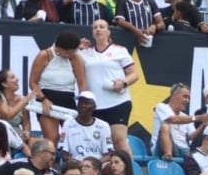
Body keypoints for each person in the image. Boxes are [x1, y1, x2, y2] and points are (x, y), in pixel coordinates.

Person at [80, 19, 136, 155]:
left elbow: (134, 74)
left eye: (102, 27)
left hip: (117, 102)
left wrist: (123, 83)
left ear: (108, 32)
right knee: (98, 143)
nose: (98, 29)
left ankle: (129, 168)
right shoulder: (85, 53)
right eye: (95, 27)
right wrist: (79, 48)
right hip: (95, 105)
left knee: (118, 140)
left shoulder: (119, 50)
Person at [30, 32, 88, 146]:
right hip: (46, 99)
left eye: (73, 52)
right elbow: (32, 82)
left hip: (68, 100)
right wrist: (43, 99)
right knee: (52, 138)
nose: (69, 55)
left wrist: (83, 102)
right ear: (59, 48)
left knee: (75, 138)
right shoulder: (44, 55)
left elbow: (82, 84)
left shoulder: (75, 57)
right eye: (67, 52)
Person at [59, 92, 113, 161]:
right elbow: (63, 153)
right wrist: (81, 164)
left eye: (87, 103)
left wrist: (94, 164)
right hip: (75, 163)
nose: (83, 105)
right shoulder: (68, 124)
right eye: (80, 103)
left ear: (94, 107)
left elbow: (108, 154)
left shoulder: (103, 125)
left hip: (98, 163)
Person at [152, 82, 197, 159]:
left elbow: (192, 137)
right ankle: (168, 155)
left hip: (184, 150)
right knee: (165, 126)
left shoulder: (185, 117)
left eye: (188, 98)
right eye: (185, 97)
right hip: (161, 150)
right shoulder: (161, 107)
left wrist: (204, 124)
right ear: (174, 95)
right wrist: (196, 118)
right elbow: (173, 119)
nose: (187, 100)